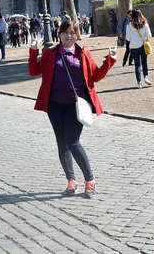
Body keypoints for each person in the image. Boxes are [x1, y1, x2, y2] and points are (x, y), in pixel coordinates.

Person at [28, 20, 117, 198]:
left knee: (73, 142)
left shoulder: (83, 53)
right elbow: (34, 71)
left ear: (77, 35)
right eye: (66, 32)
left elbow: (95, 76)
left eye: (73, 32)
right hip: (54, 105)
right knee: (62, 143)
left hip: (76, 106)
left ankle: (90, 180)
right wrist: (33, 51)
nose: (69, 36)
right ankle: (71, 180)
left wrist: (109, 61)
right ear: (59, 34)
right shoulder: (50, 53)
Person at [125, 9, 152, 88]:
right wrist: (143, 39)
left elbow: (128, 38)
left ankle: (139, 82)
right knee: (144, 62)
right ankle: (146, 77)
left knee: (137, 65)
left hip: (134, 47)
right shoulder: (145, 23)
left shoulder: (129, 25)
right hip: (143, 46)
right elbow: (149, 35)